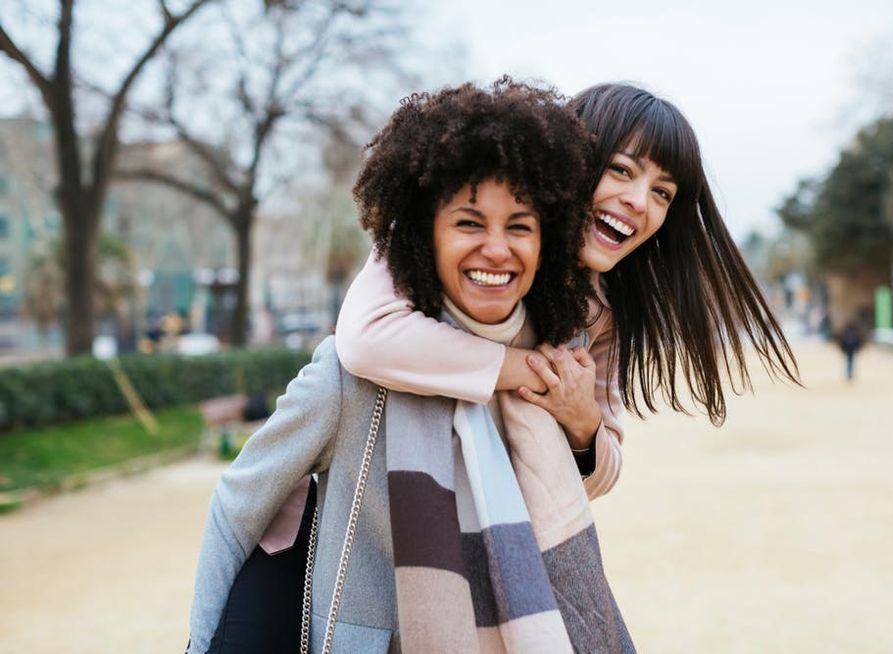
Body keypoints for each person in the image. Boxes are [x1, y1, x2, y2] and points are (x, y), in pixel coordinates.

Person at [186, 79, 633, 653]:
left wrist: (581, 423)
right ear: (426, 237)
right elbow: (240, 503)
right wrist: (201, 644)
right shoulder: (352, 379)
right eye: (469, 223)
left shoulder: (552, 367)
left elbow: (581, 487)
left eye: (520, 226)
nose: (497, 248)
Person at [336, 82, 801, 499]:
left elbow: (599, 478)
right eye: (621, 170)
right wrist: (538, 373)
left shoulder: (601, 311)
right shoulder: (457, 228)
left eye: (662, 193)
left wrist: (582, 419)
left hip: (504, 536)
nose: (639, 202)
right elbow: (365, 341)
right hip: (383, 509)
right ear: (572, 159)